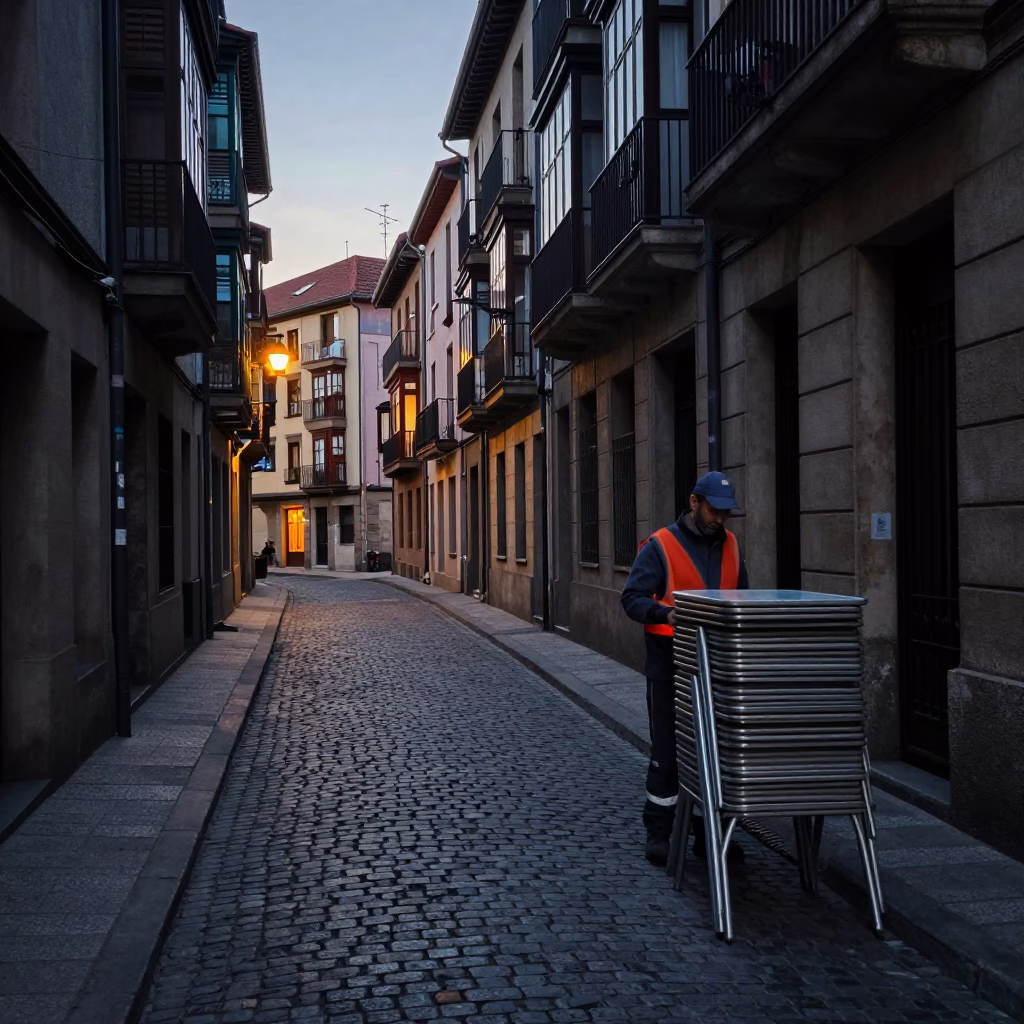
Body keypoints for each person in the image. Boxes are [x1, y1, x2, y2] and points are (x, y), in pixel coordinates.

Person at [621, 471, 749, 866]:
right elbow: (632, 599)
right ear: (694, 502)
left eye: (726, 513)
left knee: (716, 751)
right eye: (714, 510)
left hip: (719, 665)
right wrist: (665, 613)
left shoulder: (730, 544)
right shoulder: (660, 546)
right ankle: (660, 832)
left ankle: (711, 833)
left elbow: (741, 596)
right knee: (669, 753)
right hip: (670, 665)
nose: (719, 519)